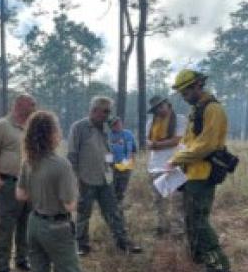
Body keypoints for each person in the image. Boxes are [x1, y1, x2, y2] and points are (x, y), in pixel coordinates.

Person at [15, 111, 82, 272]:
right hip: (56, 227)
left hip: (35, 223)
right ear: (53, 133)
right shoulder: (60, 165)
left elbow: (21, 195)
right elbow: (69, 205)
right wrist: (74, 192)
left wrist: (39, 193)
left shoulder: (28, 162)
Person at [171, 70, 233, 272]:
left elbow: (206, 145)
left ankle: (219, 267)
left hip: (203, 174)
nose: (183, 96)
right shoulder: (197, 110)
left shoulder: (212, 109)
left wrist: (177, 159)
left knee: (199, 221)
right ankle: (198, 257)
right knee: (191, 218)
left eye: (185, 91)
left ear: (197, 86)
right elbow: (190, 142)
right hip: (191, 173)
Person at [66, 97, 142, 256]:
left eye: (109, 111)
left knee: (113, 211)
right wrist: (75, 178)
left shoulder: (107, 129)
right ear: (94, 110)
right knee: (83, 213)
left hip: (105, 179)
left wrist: (112, 165)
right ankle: (82, 245)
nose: (108, 115)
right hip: (86, 178)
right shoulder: (79, 127)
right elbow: (72, 155)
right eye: (106, 111)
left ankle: (123, 243)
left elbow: (107, 152)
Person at [0, 94, 36, 272]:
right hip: (9, 183)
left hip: (29, 184)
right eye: (31, 103)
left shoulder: (30, 128)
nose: (34, 106)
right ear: (20, 104)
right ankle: (2, 268)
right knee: (6, 226)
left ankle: (22, 259)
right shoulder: (1, 126)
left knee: (26, 224)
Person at [145, 95, 185, 236]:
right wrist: (154, 145)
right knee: (158, 200)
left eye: (161, 106)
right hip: (155, 165)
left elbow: (176, 140)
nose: (159, 110)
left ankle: (177, 230)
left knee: (177, 200)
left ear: (168, 104)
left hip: (175, 165)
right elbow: (148, 142)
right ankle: (161, 226)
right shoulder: (151, 122)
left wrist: (156, 144)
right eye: (156, 109)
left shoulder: (180, 119)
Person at [107, 116, 137, 205]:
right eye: (115, 124)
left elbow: (134, 150)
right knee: (110, 189)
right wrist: (109, 166)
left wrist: (130, 162)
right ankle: (111, 207)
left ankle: (119, 207)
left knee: (121, 189)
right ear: (111, 126)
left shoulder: (129, 134)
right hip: (111, 167)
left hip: (126, 166)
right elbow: (105, 152)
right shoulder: (107, 137)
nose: (118, 125)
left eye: (119, 123)